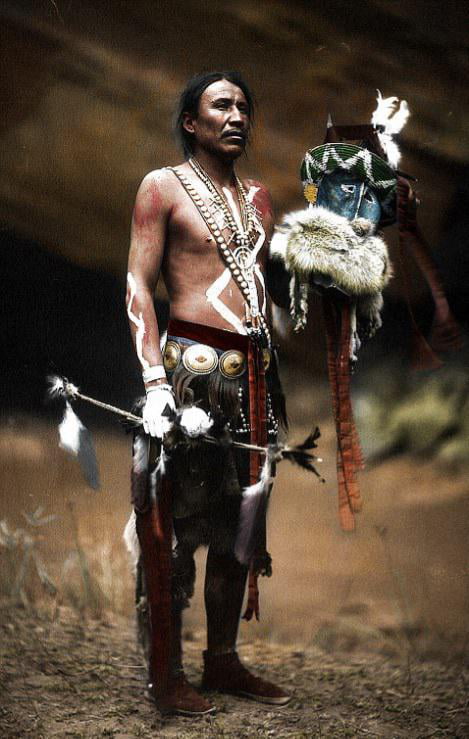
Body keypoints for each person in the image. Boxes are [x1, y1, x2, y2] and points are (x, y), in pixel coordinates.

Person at [126, 71, 291, 717]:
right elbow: (139, 283)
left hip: (253, 376)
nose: (236, 115)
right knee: (173, 530)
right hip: (190, 373)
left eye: (244, 106)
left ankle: (221, 660)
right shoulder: (161, 186)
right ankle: (163, 672)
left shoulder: (257, 198)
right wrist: (153, 381)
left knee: (240, 526)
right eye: (221, 105)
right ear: (191, 122)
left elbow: (256, 291)